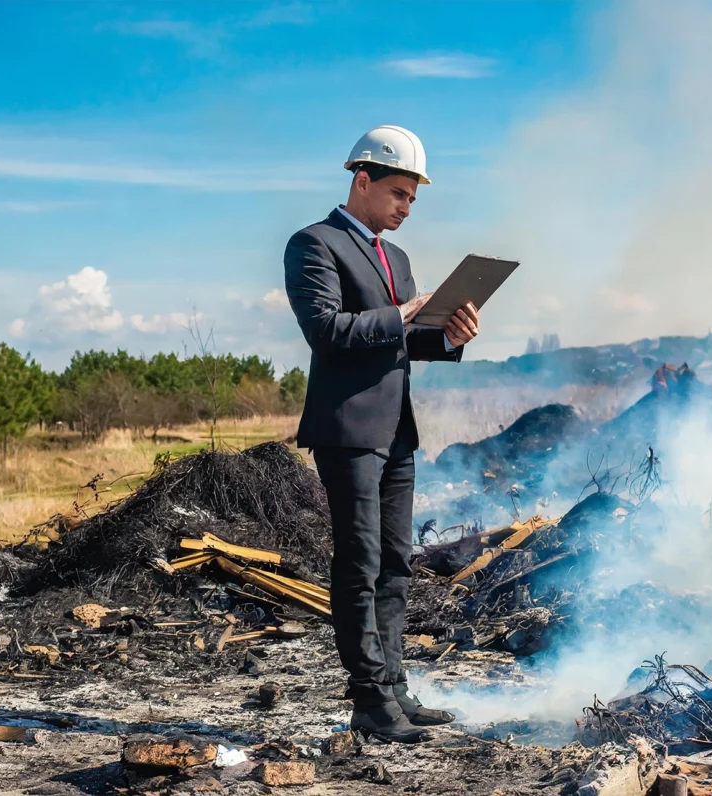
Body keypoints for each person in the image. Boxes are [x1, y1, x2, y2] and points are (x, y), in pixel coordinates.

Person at [283, 125, 480, 743]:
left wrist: (447, 336)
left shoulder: (396, 258)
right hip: (346, 430)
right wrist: (405, 314)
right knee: (360, 562)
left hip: (397, 431)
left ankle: (394, 690)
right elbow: (328, 331)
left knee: (396, 561)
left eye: (414, 200)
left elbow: (400, 339)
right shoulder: (314, 244)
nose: (406, 208)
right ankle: (368, 701)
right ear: (361, 181)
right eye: (398, 193)